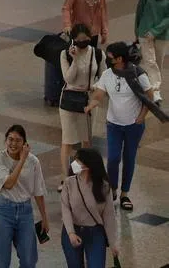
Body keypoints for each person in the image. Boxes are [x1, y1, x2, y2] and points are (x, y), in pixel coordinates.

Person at [84, 41, 154, 211]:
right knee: (113, 157)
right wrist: (93, 103)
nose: (107, 59)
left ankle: (124, 194)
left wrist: (142, 116)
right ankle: (113, 188)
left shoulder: (138, 74)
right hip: (114, 124)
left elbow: (149, 96)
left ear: (120, 59)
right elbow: (100, 93)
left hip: (133, 125)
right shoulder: (107, 74)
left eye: (110, 57)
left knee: (129, 158)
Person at [0, 124, 49, 268]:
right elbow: (9, 184)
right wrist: (22, 160)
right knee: (2, 261)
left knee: (29, 260)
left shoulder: (34, 161)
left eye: (18, 140)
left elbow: (38, 191)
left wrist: (44, 218)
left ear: (24, 143)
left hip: (25, 211)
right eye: (10, 139)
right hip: (3, 210)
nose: (13, 144)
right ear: (5, 141)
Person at [51, 0, 108, 106]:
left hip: (92, 32)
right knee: (75, 57)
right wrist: (67, 25)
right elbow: (66, 8)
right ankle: (73, 86)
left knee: (91, 57)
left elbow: (103, 10)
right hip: (77, 32)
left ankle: (89, 85)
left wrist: (104, 30)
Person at [57, 24, 103, 184]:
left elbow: (103, 77)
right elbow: (68, 79)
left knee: (86, 140)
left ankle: (83, 175)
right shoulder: (65, 54)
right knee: (67, 140)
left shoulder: (97, 54)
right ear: (73, 40)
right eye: (79, 40)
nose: (83, 43)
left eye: (86, 40)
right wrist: (75, 60)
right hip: (69, 99)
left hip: (88, 100)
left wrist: (96, 90)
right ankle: (66, 178)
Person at [59, 148, 118, 268]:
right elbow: (65, 210)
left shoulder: (104, 187)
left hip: (95, 232)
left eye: (78, 161)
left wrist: (113, 243)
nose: (74, 163)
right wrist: (71, 233)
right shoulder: (69, 183)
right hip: (73, 231)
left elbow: (109, 216)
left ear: (88, 165)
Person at [134, 0, 169, 103]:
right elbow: (139, 12)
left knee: (157, 63)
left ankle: (153, 89)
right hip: (144, 33)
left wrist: (155, 31)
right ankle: (154, 92)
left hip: (161, 34)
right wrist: (137, 32)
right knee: (150, 62)